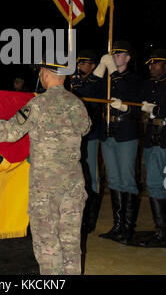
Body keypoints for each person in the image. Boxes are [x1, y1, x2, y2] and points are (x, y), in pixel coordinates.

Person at [0, 56, 91, 275]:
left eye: (41, 72)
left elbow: (9, 133)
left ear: (45, 74)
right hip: (73, 185)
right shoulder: (77, 103)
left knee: (48, 244)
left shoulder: (37, 105)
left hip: (45, 188)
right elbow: (85, 129)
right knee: (71, 244)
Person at [75, 41, 141, 244]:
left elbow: (130, 97)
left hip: (126, 132)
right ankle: (118, 225)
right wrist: (101, 69)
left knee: (127, 179)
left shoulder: (134, 79)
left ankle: (128, 228)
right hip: (107, 131)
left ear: (128, 58)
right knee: (113, 180)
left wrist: (113, 70)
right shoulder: (107, 80)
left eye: (119, 54)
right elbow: (86, 91)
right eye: (112, 54)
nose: (114, 57)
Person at [137, 49, 166, 248]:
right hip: (153, 137)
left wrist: (156, 110)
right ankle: (161, 231)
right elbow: (134, 100)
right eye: (150, 63)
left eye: (156, 63)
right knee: (154, 183)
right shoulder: (147, 85)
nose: (152, 66)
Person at [71, 50, 103, 233]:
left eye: (84, 63)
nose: (80, 66)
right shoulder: (74, 80)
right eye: (78, 63)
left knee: (92, 175)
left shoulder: (96, 81)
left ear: (92, 65)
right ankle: (80, 216)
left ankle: (91, 219)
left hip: (91, 133)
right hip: (75, 135)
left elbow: (88, 91)